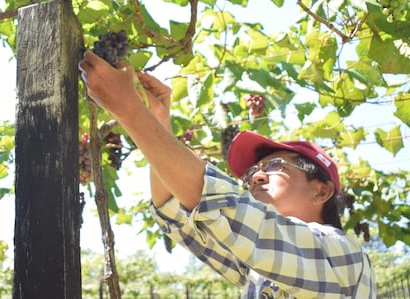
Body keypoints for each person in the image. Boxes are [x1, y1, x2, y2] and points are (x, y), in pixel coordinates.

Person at [78, 50, 376, 298]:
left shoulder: (342, 256)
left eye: (275, 166)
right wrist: (159, 119)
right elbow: (173, 209)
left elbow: (221, 207)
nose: (256, 178)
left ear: (321, 191)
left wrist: (128, 107)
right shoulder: (257, 268)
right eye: (252, 172)